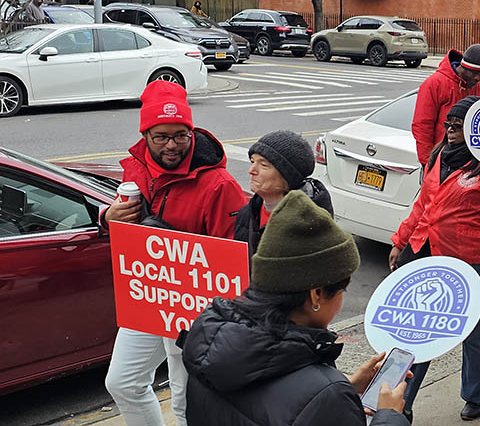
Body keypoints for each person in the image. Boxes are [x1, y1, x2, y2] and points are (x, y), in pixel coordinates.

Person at [180, 191, 410, 426]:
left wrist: (346, 389)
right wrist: (389, 416)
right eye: (342, 290)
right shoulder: (328, 396)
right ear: (316, 294)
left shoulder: (209, 346)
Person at [102, 80, 248, 426]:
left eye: (181, 135)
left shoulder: (219, 185)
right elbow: (124, 225)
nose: (172, 145)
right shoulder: (136, 167)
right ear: (145, 135)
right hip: (149, 294)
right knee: (122, 382)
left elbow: (235, 256)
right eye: (161, 137)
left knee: (185, 403)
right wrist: (108, 218)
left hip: (196, 307)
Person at [389, 96, 480, 422]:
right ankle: (400, 401)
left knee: (476, 332)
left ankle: (478, 395)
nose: (450, 130)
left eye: (458, 125)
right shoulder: (440, 156)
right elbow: (424, 205)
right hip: (433, 251)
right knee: (418, 328)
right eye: (448, 124)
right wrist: (401, 239)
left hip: (477, 260)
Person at [234, 130, 333, 259]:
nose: (251, 170)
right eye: (252, 161)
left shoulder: (310, 223)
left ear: (288, 176)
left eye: (263, 165)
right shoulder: (247, 213)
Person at [412, 44, 480, 166]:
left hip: (470, 162)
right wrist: (428, 162)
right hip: (441, 160)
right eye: (474, 72)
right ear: (464, 67)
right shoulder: (434, 84)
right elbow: (423, 125)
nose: (478, 78)